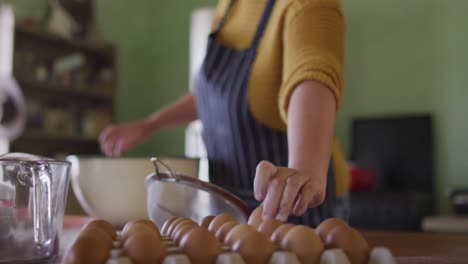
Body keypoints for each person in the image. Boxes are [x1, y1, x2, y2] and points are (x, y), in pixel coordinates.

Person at [99, 0, 348, 226]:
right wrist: (150, 124)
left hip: (296, 204)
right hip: (233, 206)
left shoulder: (309, 4)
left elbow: (312, 74)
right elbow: (212, 95)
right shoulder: (229, 7)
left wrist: (305, 168)